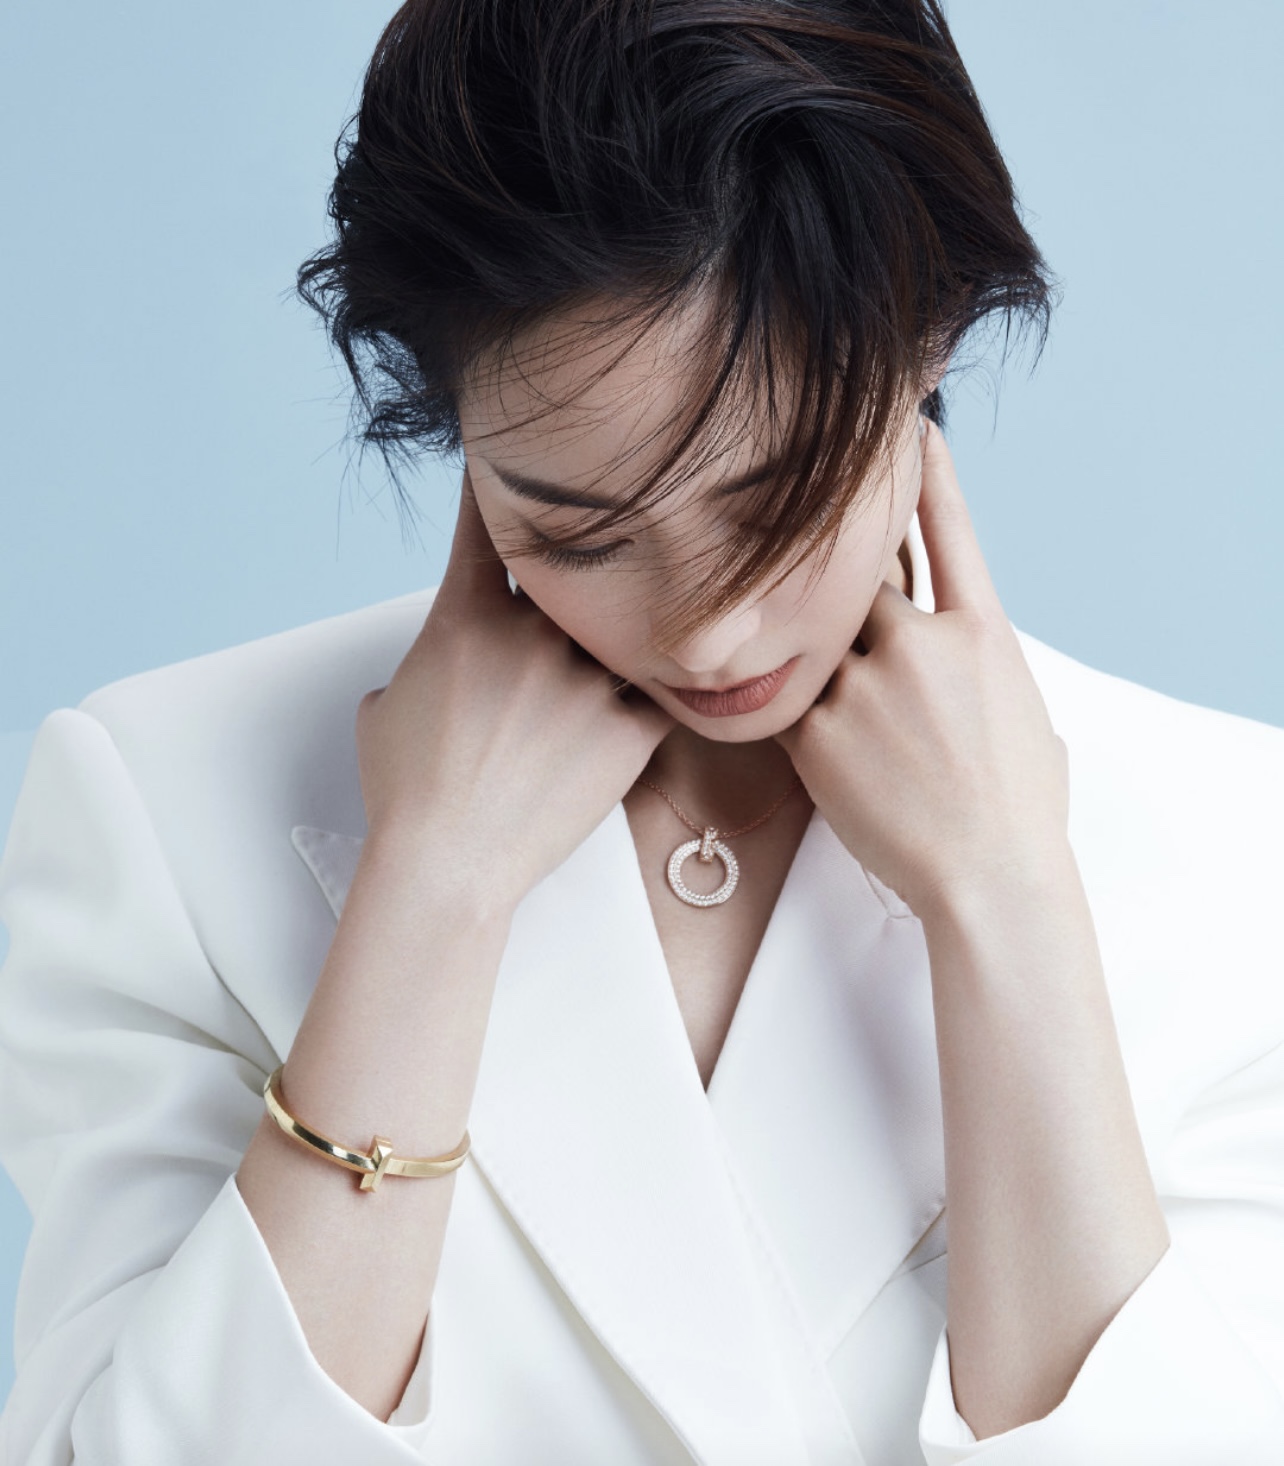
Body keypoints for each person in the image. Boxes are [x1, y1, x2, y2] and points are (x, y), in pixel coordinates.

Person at [1, 1, 1281, 1462]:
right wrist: (430, 890)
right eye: (582, 531)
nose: (710, 633)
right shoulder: (164, 806)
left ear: (931, 331)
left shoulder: (1244, 855)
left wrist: (1005, 895)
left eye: (779, 499)